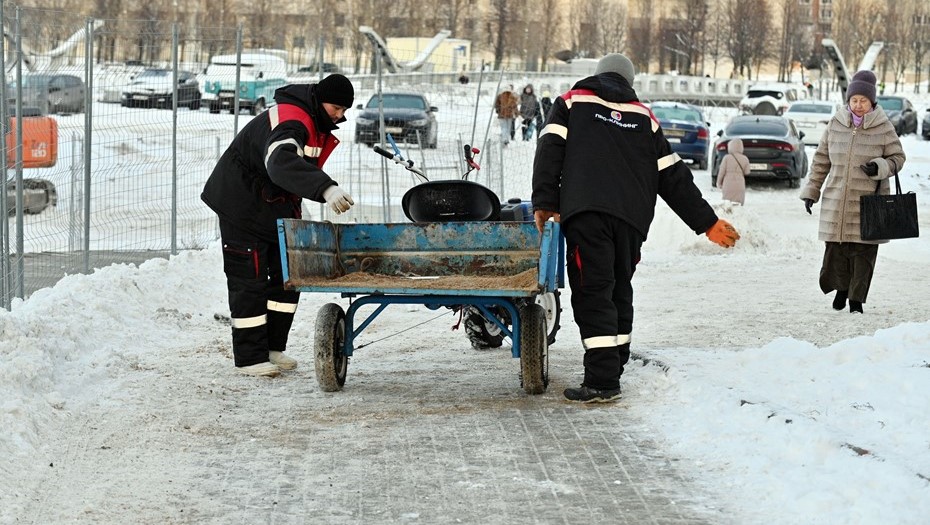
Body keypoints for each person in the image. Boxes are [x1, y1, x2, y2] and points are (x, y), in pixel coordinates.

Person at [532, 53, 740, 403]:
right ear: (629, 83)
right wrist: (707, 222)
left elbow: (549, 150)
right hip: (631, 221)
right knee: (618, 288)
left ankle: (602, 380)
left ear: (598, 75)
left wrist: (545, 203)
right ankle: (616, 361)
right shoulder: (645, 117)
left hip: (587, 213)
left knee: (593, 291)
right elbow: (674, 176)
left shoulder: (572, 102)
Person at [201, 75, 356, 377]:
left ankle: (273, 348)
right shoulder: (292, 121)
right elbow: (280, 162)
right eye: (337, 107)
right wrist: (326, 188)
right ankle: (250, 358)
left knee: (286, 277)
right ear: (320, 100)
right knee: (250, 278)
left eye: (344, 109)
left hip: (270, 205)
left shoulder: (312, 121)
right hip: (240, 205)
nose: (341, 115)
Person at [799, 70, 905, 315]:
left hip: (869, 202)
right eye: (854, 100)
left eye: (863, 101)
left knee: (863, 252)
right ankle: (841, 290)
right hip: (837, 199)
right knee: (837, 248)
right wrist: (811, 191)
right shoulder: (835, 124)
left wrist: (880, 166)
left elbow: (898, 158)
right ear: (848, 101)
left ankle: (856, 299)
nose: (858, 105)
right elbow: (821, 160)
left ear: (872, 102)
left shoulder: (883, 126)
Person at [716, 138, 749, 205]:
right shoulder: (745, 158)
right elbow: (747, 172)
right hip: (740, 184)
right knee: (738, 204)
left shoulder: (727, 158)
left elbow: (721, 172)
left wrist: (719, 182)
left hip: (728, 183)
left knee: (727, 203)